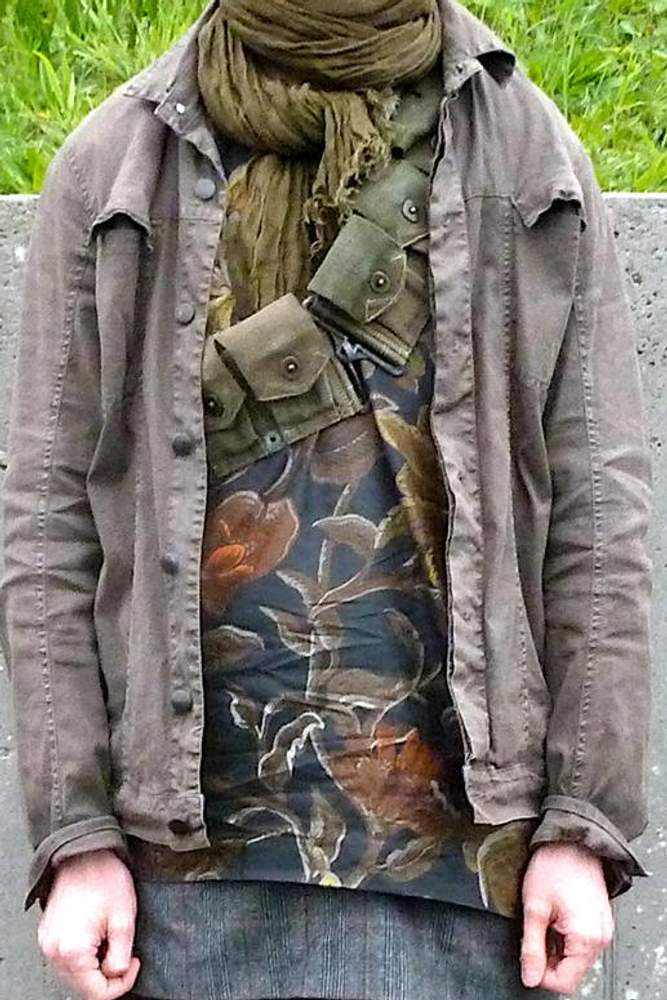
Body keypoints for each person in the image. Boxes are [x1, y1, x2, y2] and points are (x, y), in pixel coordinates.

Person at [0, 1, 653, 999]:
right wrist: (75, 831)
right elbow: (50, 521)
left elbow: (599, 512)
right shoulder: (118, 163)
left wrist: (581, 821)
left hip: (468, 869)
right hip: (180, 879)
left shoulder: (524, 151)